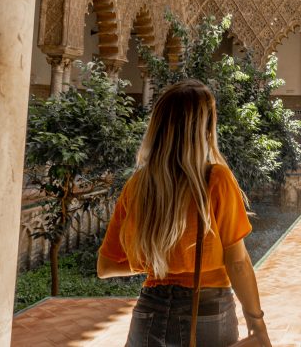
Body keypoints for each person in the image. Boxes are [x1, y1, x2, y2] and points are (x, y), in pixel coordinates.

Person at [97, 79, 272, 347]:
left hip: (149, 311)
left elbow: (105, 267)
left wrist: (155, 260)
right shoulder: (216, 179)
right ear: (204, 128)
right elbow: (237, 262)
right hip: (206, 311)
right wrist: (256, 323)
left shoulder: (139, 185)